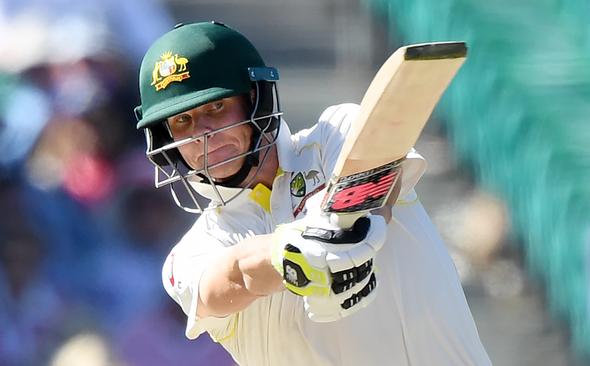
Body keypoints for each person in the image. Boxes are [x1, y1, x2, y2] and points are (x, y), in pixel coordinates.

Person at [134, 21, 491, 365]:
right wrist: (285, 255)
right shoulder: (191, 254)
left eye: (216, 107)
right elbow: (229, 278)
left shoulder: (335, 136)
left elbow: (375, 192)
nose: (202, 134)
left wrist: (344, 225)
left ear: (254, 99)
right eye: (183, 122)